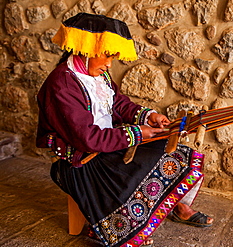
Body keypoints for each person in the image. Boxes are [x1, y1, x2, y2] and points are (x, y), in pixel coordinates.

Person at [36, 13, 213, 247]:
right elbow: (87, 139)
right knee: (141, 172)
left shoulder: (98, 75)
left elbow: (118, 103)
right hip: (82, 163)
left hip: (106, 146)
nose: (110, 63)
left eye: (113, 56)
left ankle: (174, 203)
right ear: (86, 49)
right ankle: (115, 223)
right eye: (107, 55)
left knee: (174, 154)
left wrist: (149, 117)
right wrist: (138, 134)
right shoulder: (61, 85)